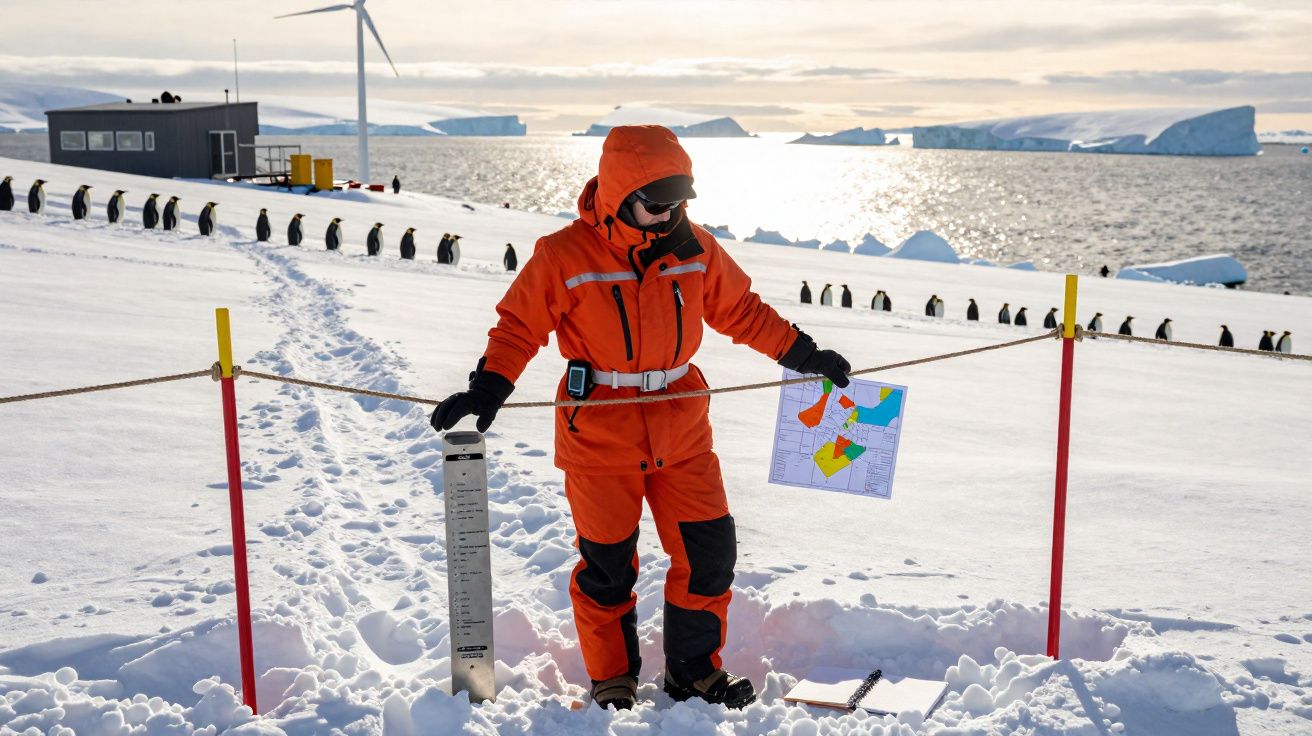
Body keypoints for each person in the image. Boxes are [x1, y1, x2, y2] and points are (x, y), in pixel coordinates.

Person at [430, 125, 850, 712]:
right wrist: (489, 386)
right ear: (621, 195)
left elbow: (743, 311)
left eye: (678, 203)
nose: (668, 215)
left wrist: (804, 354)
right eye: (657, 205)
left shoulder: (693, 246)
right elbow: (520, 327)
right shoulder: (564, 254)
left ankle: (694, 673)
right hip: (599, 429)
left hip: (681, 422)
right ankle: (612, 678)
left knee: (709, 553)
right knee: (607, 567)